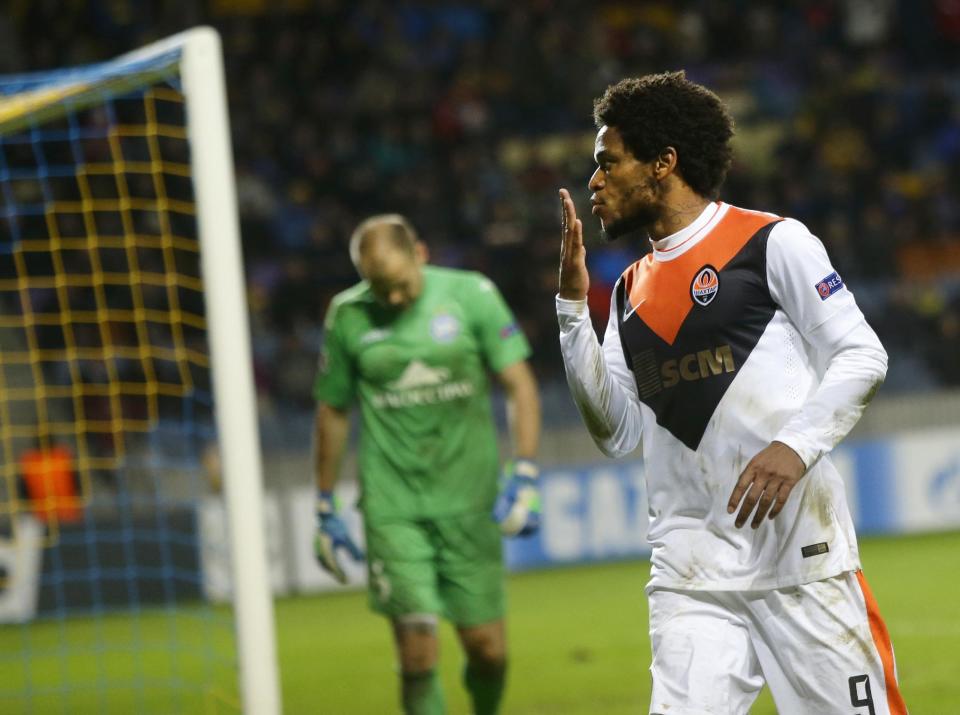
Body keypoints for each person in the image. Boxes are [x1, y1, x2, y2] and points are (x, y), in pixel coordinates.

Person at [557, 71, 907, 715]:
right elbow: (616, 433)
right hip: (691, 576)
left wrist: (795, 447)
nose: (594, 181)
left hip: (800, 559)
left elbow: (862, 354)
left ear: (663, 164)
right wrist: (574, 311)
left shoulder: (771, 242)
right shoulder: (630, 290)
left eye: (609, 162)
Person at [312, 214, 542, 715]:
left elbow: (519, 383)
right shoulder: (347, 316)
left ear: (419, 253)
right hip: (394, 506)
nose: (391, 300)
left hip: (469, 501)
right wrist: (324, 503)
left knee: (488, 650)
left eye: (398, 286)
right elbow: (332, 411)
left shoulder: (472, 295)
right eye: (378, 289)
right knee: (417, 652)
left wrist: (524, 470)